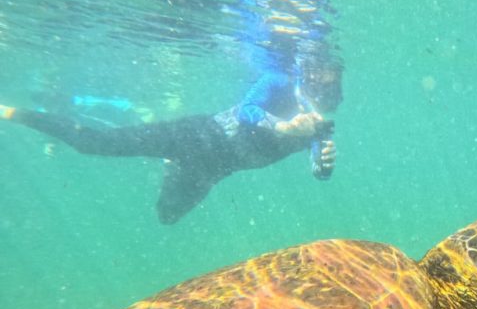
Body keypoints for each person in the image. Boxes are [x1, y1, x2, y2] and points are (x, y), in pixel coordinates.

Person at [0, 63, 340, 225]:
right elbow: (248, 110)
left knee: (167, 216)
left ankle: (169, 167)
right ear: (304, 72)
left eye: (330, 89)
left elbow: (320, 172)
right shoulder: (277, 80)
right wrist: (281, 126)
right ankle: (11, 111)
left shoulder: (320, 123)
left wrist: (323, 162)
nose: (320, 92)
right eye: (317, 80)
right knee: (92, 143)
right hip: (193, 135)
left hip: (210, 170)